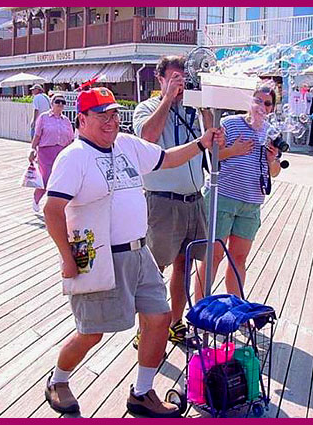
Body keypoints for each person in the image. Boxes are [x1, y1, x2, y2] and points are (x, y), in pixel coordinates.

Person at [43, 84, 224, 417]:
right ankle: (58, 380)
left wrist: (201, 144)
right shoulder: (74, 157)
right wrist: (67, 259)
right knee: (91, 333)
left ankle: (142, 392)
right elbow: (52, 209)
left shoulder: (126, 144)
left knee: (159, 320)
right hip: (99, 257)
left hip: (140, 253)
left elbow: (166, 159)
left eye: (114, 115)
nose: (110, 122)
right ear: (81, 120)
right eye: (101, 116)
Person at [132, 55, 213, 347]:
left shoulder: (193, 108)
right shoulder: (148, 107)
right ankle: (147, 329)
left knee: (185, 265)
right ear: (161, 79)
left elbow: (213, 143)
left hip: (194, 200)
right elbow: (148, 137)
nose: (181, 84)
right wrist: (167, 99)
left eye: (184, 78)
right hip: (162, 203)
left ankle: (175, 324)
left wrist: (206, 105)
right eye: (175, 78)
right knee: (154, 271)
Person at [194, 83, 282, 300]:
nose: (262, 106)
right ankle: (200, 307)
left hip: (251, 203)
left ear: (272, 108)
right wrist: (234, 150)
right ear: (248, 101)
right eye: (258, 100)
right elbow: (211, 159)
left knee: (239, 259)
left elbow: (275, 171)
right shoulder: (230, 124)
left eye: (267, 103)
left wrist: (272, 159)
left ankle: (235, 306)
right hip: (223, 198)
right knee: (212, 257)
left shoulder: (272, 133)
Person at [28, 93, 74, 213]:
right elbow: (37, 135)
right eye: (57, 102)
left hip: (61, 153)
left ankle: (55, 206)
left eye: (63, 103)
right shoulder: (43, 117)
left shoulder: (66, 120)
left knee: (60, 180)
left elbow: (71, 139)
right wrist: (32, 150)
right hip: (46, 152)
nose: (60, 105)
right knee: (47, 179)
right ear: (52, 103)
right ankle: (36, 198)